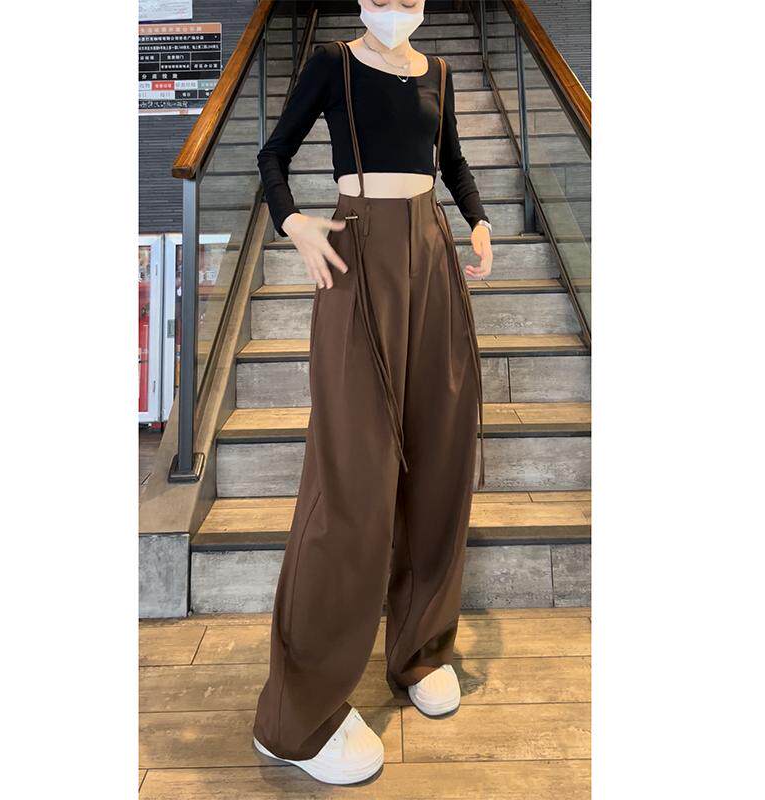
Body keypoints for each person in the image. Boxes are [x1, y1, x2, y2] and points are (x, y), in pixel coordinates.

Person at [251, 0, 494, 785]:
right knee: (352, 477)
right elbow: (274, 153)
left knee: (439, 458)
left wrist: (478, 220)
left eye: (409, 1)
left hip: (433, 253)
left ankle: (420, 651)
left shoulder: (440, 74)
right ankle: (296, 715)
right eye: (384, 1)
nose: (396, 12)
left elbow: (452, 162)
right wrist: (293, 222)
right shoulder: (333, 63)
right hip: (357, 256)